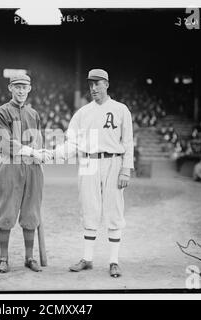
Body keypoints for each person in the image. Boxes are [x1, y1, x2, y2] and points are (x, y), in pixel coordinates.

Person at [52, 69, 134, 278]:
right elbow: (71, 143)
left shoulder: (121, 109)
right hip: (88, 161)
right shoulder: (82, 113)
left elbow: (127, 142)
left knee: (114, 209)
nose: (93, 88)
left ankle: (114, 261)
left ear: (107, 84)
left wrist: (126, 169)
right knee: (89, 207)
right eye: (90, 84)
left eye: (97, 83)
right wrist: (50, 155)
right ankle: (87, 258)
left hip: (114, 161)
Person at [0, 74, 52, 274]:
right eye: (17, 86)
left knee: (31, 213)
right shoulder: (1, 113)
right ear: (10, 88)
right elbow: (5, 143)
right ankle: (3, 258)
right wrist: (30, 151)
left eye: (24, 87)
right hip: (10, 166)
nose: (20, 90)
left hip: (32, 168)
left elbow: (39, 142)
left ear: (30, 89)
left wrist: (40, 154)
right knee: (6, 212)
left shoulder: (34, 114)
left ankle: (29, 257)